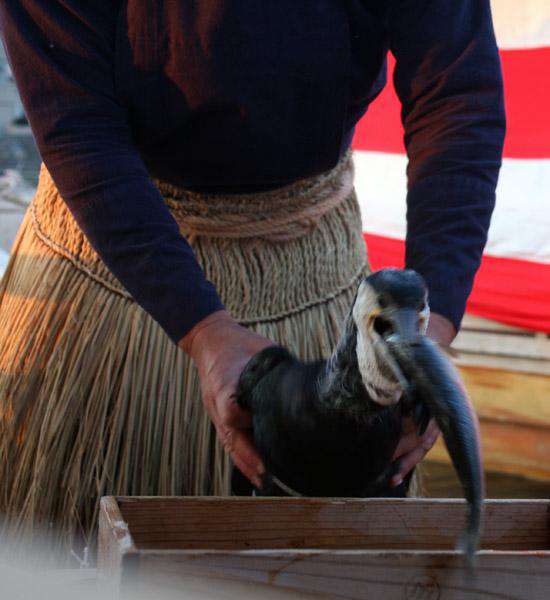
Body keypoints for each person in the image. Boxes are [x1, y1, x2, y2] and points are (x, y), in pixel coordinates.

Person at [0, 1, 505, 550]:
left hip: (312, 267)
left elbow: (456, 95)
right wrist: (204, 330)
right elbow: (76, 124)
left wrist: (423, 345)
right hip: (113, 275)